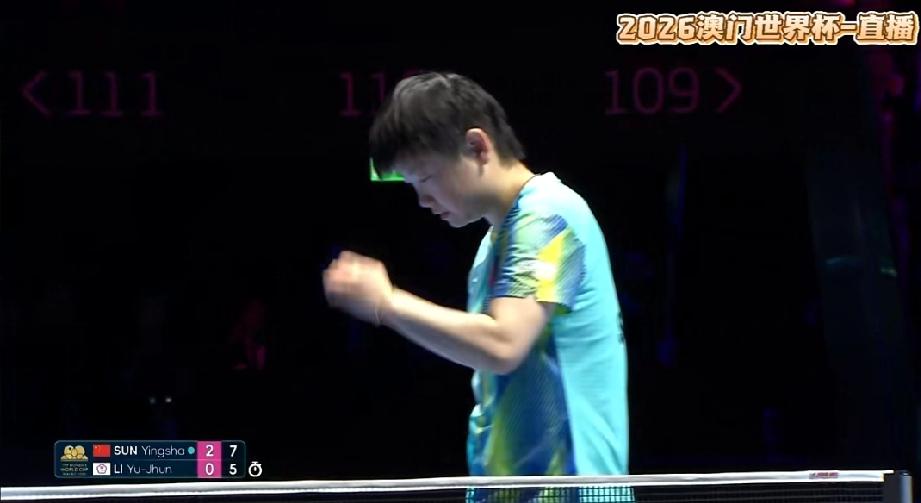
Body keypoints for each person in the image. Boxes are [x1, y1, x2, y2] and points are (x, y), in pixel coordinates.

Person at [322, 71, 629, 478]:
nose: (422, 199)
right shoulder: (494, 244)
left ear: (477, 146)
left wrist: (387, 302)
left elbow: (503, 345)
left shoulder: (549, 217)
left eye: (425, 179)